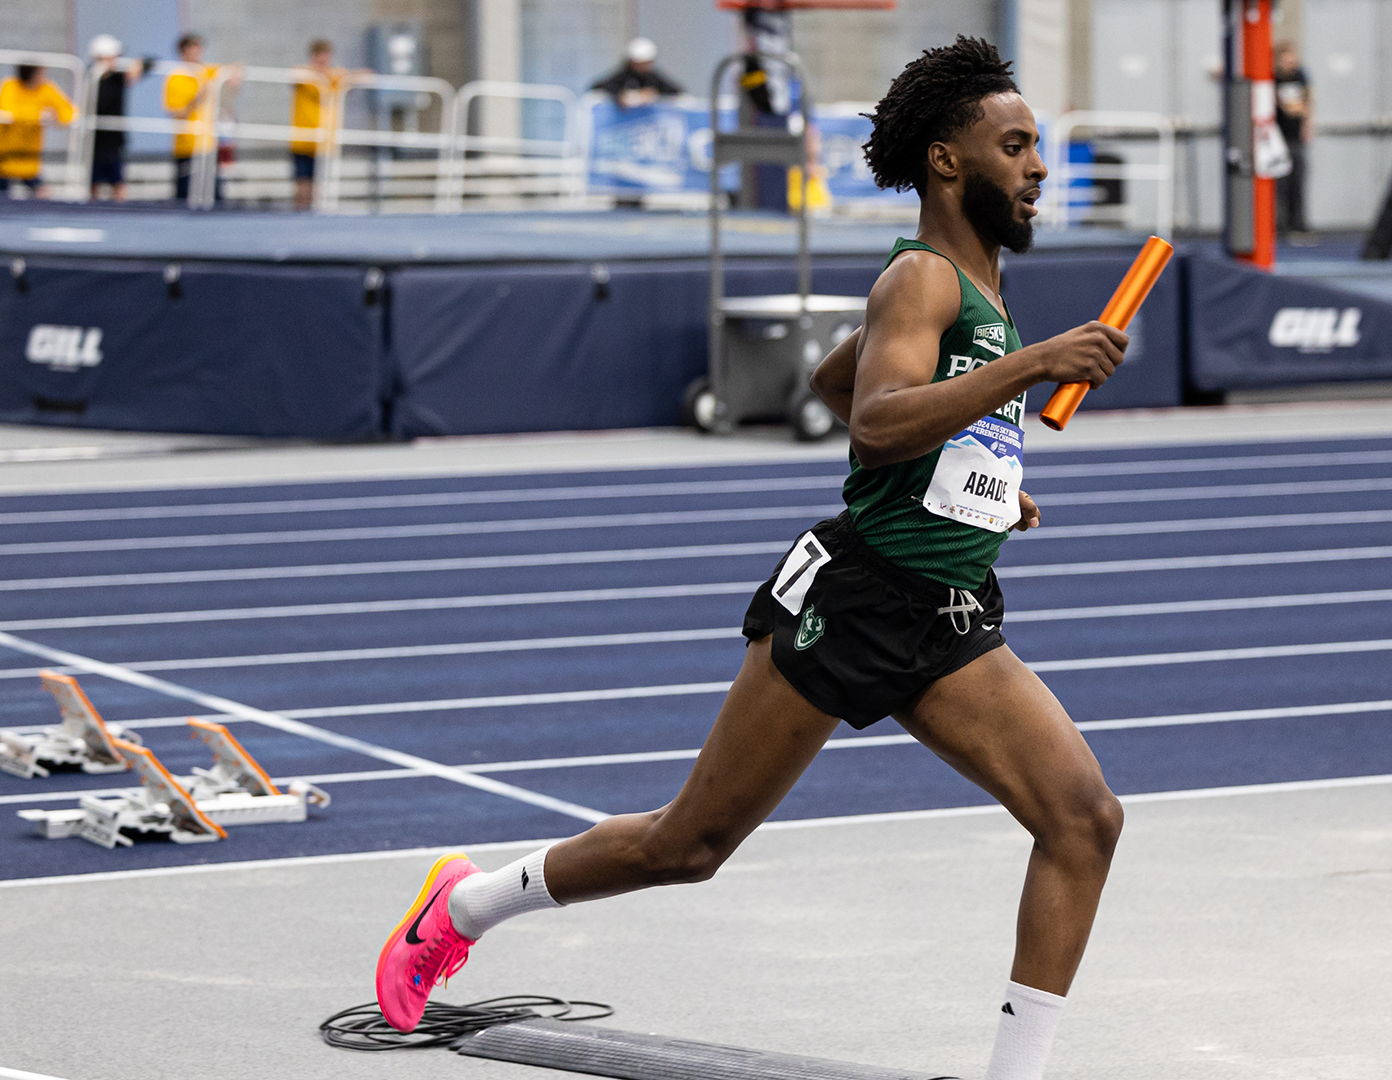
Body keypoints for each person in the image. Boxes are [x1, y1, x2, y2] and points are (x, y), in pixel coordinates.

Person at [374, 36, 1129, 1080]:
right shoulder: (924, 277)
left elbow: (838, 379)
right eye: (1016, 145)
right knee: (686, 846)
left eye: (1038, 146)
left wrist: (983, 476)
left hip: (945, 608)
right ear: (949, 162)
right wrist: (1034, 366)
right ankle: (460, 905)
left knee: (1083, 820)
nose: (1038, 165)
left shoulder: (976, 287)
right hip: (853, 601)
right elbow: (869, 422)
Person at [164, 33, 241, 203]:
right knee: (184, 197)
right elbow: (178, 114)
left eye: (199, 47)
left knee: (216, 196)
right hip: (186, 146)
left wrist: (235, 75)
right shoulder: (176, 77)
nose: (198, 51)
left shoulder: (207, 71)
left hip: (209, 145)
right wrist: (198, 96)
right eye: (193, 47)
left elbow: (234, 69)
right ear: (183, 51)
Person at [290, 39, 350, 210]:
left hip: (325, 143)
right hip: (303, 140)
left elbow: (361, 76)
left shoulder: (334, 77)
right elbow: (293, 74)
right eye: (320, 60)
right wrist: (318, 75)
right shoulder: (305, 76)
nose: (323, 64)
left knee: (320, 187)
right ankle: (299, 217)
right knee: (302, 186)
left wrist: (339, 76)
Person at [86, 35, 148, 201]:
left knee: (118, 181)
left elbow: (142, 70)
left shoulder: (117, 77)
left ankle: (120, 212)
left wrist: (139, 65)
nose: (117, 59)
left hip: (114, 138)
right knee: (94, 182)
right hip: (95, 137)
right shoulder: (90, 77)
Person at [0, 64, 76, 198]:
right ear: (32, 74)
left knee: (44, 195)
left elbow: (68, 112)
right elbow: (9, 111)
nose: (44, 78)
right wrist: (40, 114)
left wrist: (55, 117)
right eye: (41, 74)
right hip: (5, 159)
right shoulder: (10, 86)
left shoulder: (46, 89)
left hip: (30, 161)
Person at [1273, 40, 1312, 240]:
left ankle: (1298, 224)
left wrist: (1306, 125)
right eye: (1287, 58)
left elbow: (1307, 103)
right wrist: (1295, 107)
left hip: (1295, 137)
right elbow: (1286, 107)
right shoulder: (1274, 79)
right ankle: (1279, 226)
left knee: (1298, 182)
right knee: (1280, 184)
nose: (1291, 62)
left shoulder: (1300, 76)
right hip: (1278, 139)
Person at [592, 37, 682, 109]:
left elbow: (676, 91)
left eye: (646, 63)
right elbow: (598, 88)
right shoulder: (622, 76)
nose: (643, 67)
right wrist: (621, 96)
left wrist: (653, 94)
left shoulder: (652, 76)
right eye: (639, 63)